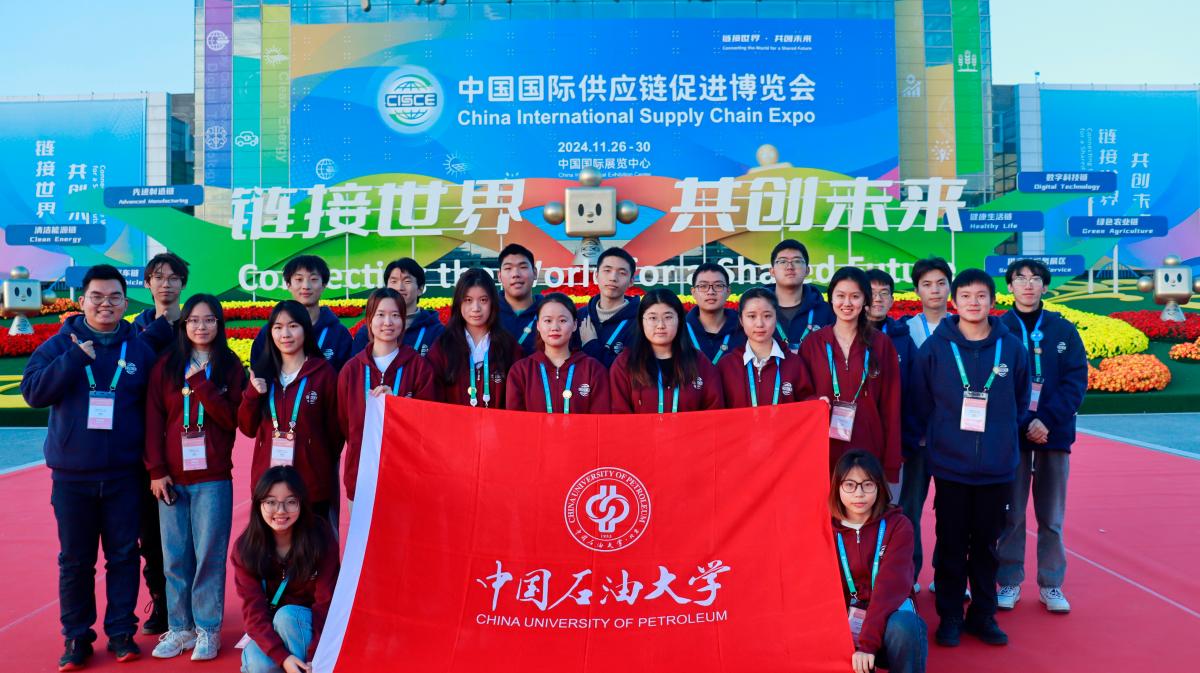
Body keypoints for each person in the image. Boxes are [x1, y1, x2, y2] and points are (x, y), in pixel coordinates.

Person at [21, 264, 161, 669]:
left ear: (125, 302)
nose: (106, 304)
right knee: (75, 561)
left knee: (124, 556)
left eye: (114, 297)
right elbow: (33, 393)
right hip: (72, 478)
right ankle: (77, 636)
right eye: (97, 297)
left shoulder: (139, 350)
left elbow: (155, 409)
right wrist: (73, 359)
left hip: (124, 476)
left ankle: (121, 632)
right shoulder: (58, 345)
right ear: (82, 301)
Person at [912, 268, 1030, 647]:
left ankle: (983, 615)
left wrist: (1000, 438)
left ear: (993, 301)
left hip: (997, 467)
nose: (973, 302)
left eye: (981, 296)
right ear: (955, 301)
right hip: (951, 467)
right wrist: (941, 439)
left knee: (986, 546)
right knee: (950, 544)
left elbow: (1021, 399)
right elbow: (921, 400)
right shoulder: (936, 348)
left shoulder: (1012, 347)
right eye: (965, 296)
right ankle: (949, 616)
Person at [144, 294, 245, 660]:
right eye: (194, 320)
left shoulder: (230, 366)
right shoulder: (166, 365)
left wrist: (201, 384)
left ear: (219, 324)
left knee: (208, 557)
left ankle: (207, 629)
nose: (201, 327)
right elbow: (153, 421)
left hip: (213, 477)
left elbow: (232, 420)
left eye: (209, 320)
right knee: (174, 558)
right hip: (172, 478)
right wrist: (156, 470)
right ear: (184, 325)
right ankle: (180, 627)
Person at [995, 259, 1088, 614]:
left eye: (1035, 279)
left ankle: (1051, 584)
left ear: (1045, 286)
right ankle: (1009, 580)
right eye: (1020, 279)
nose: (1028, 285)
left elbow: (1075, 381)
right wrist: (1024, 422)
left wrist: (1045, 420)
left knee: (1051, 516)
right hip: (1012, 436)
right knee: (1012, 514)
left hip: (1054, 434)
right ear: (1010, 286)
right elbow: (996, 384)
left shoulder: (1063, 329)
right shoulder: (998, 328)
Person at [239, 301, 344, 525]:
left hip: (311, 486)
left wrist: (314, 456)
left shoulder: (324, 374)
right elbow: (247, 428)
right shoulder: (262, 373)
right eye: (278, 327)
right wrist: (252, 395)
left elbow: (335, 435)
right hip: (269, 484)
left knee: (312, 544)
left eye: (293, 326)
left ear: (306, 329)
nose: (285, 334)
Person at [132, 252, 191, 636]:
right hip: (146, 445)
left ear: (182, 283)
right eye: (158, 277)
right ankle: (162, 601)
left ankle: (192, 606)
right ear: (148, 283)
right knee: (150, 533)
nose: (165, 283)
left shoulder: (195, 323)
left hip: (190, 444)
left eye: (173, 277)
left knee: (191, 533)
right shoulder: (136, 329)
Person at [799, 267, 901, 485]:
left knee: (863, 503)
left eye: (855, 296)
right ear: (831, 298)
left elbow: (891, 406)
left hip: (869, 448)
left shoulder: (881, 344)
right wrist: (815, 401)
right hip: (823, 448)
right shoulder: (813, 344)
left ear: (865, 300)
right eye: (840, 296)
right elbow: (801, 395)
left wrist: (891, 464)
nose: (847, 303)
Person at [232, 467, 339, 673]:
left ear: (301, 503)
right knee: (257, 664)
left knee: (287, 616)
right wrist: (283, 657)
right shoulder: (246, 549)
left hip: (309, 626)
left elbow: (325, 603)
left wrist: (315, 657)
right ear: (259, 504)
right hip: (272, 628)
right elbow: (253, 613)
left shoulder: (320, 538)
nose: (280, 511)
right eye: (271, 502)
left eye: (290, 502)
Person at [338, 288, 438, 505]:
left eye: (395, 315)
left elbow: (427, 423)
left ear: (403, 321)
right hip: (362, 476)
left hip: (407, 475)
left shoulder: (419, 368)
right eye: (380, 315)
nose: (388, 322)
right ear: (369, 319)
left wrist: (398, 406)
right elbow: (345, 423)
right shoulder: (351, 370)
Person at [830, 450, 926, 673]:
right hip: (846, 623)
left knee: (905, 627)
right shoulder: (827, 529)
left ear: (879, 486)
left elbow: (888, 589)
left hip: (888, 620)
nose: (859, 494)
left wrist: (867, 644)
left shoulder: (898, 526)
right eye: (850, 485)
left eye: (867, 484)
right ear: (837, 487)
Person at [899, 256, 953, 592]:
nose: (934, 290)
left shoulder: (964, 326)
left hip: (954, 437)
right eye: (927, 284)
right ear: (917, 290)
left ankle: (949, 576)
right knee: (909, 509)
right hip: (917, 437)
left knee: (953, 509)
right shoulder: (905, 330)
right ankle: (910, 574)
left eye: (941, 283)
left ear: (950, 287)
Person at [609, 289, 724, 413]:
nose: (660, 325)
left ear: (679, 320)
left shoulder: (700, 363)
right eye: (652, 318)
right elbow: (619, 416)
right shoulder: (624, 364)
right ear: (641, 322)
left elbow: (714, 414)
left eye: (668, 317)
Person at [426, 268, 523, 408]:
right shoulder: (443, 347)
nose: (475, 308)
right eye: (468, 300)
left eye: (483, 300)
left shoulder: (509, 347)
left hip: (498, 422)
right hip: (453, 422)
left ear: (493, 302)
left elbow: (517, 402)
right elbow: (430, 400)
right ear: (459, 303)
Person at [506, 293, 611, 413]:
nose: (555, 327)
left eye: (562, 320)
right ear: (538, 325)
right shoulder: (521, 371)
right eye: (548, 321)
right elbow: (515, 420)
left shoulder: (593, 370)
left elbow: (599, 421)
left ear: (574, 325)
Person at [865, 269, 918, 505]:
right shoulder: (844, 335)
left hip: (892, 443)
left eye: (884, 293)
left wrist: (906, 442)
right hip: (853, 438)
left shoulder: (903, 339)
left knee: (888, 506)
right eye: (872, 292)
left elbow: (915, 392)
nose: (878, 299)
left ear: (892, 300)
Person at [251, 255, 352, 372]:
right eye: (299, 280)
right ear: (288, 285)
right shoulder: (271, 332)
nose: (306, 286)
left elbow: (348, 377)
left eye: (313, 279)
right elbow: (258, 373)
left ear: (324, 285)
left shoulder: (339, 334)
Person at [717, 287, 812, 407]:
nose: (760, 324)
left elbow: (808, 403)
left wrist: (819, 402)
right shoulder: (726, 366)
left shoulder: (794, 363)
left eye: (767, 316)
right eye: (752, 316)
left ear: (776, 318)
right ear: (741, 320)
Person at [350, 258, 444, 358]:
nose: (400, 288)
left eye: (407, 281)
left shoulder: (437, 333)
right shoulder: (367, 332)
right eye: (394, 281)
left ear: (420, 289)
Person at [763, 239, 834, 353]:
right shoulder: (758, 310)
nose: (790, 267)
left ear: (807, 270)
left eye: (797, 261)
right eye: (782, 261)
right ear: (772, 271)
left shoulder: (826, 311)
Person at [578, 247, 640, 368]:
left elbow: (628, 371)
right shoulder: (580, 317)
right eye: (607, 270)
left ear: (631, 281)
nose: (613, 278)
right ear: (596, 275)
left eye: (622, 273)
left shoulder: (641, 321)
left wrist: (590, 344)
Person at [685, 262, 745, 366]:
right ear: (693, 292)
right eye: (703, 286)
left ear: (728, 291)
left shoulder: (744, 328)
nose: (711, 292)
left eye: (718, 286)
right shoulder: (681, 330)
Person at [496, 243, 543, 356]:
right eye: (508, 268)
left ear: (535, 273)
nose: (515, 274)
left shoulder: (549, 312)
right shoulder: (488, 313)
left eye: (523, 267)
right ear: (499, 276)